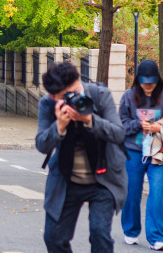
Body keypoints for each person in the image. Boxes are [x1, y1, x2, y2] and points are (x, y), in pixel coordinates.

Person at [36, 62, 126, 253]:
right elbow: (42, 145)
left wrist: (89, 119)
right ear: (54, 96)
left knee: (99, 234)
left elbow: (119, 134)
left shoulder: (99, 95)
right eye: (67, 96)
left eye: (77, 91)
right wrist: (58, 126)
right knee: (53, 237)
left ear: (79, 80)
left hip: (103, 179)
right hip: (66, 179)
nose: (76, 98)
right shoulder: (47, 104)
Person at [119, 60, 163, 251]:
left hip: (157, 154)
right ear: (138, 80)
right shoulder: (128, 97)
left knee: (157, 192)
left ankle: (157, 238)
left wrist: (158, 127)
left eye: (151, 81)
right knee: (132, 193)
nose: (148, 85)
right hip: (133, 152)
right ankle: (130, 230)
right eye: (144, 81)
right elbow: (120, 123)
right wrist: (138, 125)